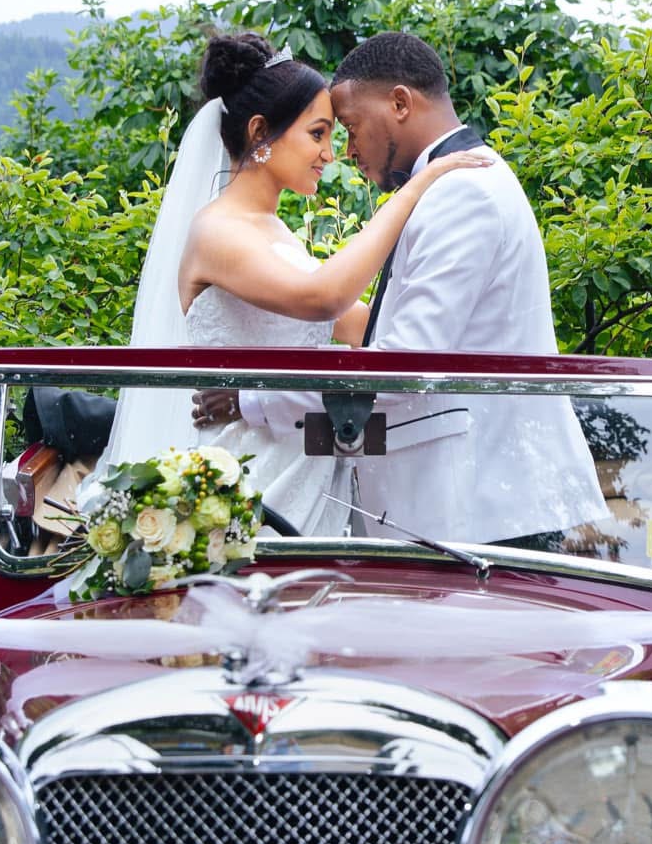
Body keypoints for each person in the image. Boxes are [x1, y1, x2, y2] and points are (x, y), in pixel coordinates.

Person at [205, 31, 610, 547]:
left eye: (350, 127)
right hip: (457, 506)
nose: (345, 151)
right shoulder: (449, 186)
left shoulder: (463, 193)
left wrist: (253, 404)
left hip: (484, 510)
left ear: (400, 102)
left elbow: (403, 369)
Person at [98, 31, 493, 534]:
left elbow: (360, 326)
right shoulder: (216, 231)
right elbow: (323, 298)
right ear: (261, 133)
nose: (331, 154)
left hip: (311, 471)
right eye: (317, 134)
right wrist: (414, 190)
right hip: (249, 481)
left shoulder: (275, 231)